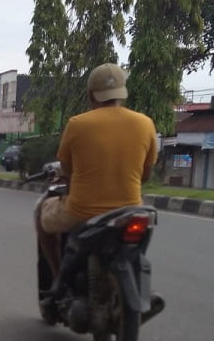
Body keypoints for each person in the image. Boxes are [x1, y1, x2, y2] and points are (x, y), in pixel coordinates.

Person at [36, 63, 157, 290]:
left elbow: (69, 171)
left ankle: (56, 279)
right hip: (131, 210)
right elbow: (145, 175)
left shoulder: (77, 124)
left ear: (91, 95)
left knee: (40, 214)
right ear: (123, 92)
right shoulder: (145, 123)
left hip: (82, 212)